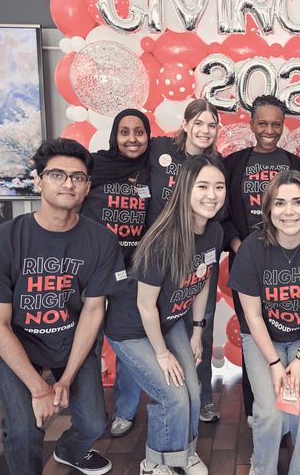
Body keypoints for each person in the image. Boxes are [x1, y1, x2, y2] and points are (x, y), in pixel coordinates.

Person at [0, 139, 127, 475]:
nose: (68, 183)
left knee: (94, 424)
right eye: (57, 174)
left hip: (72, 343)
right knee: (23, 431)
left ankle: (69, 450)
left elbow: (94, 311)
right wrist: (38, 387)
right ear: (38, 181)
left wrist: (64, 379)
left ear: (87, 187)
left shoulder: (102, 240)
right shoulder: (1, 242)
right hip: (18, 343)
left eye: (77, 178)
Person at [106, 155, 226, 475]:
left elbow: (202, 281)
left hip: (171, 321)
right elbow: (145, 306)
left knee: (194, 392)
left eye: (219, 186)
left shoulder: (214, 232)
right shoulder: (163, 239)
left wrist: (198, 331)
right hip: (132, 328)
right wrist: (161, 354)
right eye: (202, 186)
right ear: (185, 189)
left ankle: (183, 454)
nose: (211, 194)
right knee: (171, 395)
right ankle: (154, 464)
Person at [228, 170, 300, 475]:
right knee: (269, 413)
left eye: (298, 202)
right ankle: (262, 467)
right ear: (268, 210)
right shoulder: (251, 249)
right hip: (264, 337)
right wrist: (275, 364)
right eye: (279, 203)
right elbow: (252, 316)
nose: (289, 211)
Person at [223, 95, 300, 425]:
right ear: (251, 124)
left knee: (288, 331)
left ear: (283, 125)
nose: (269, 129)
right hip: (248, 262)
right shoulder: (233, 164)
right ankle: (255, 407)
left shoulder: (295, 164)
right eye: (263, 123)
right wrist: (237, 243)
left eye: (276, 123)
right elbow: (223, 213)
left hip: (289, 264)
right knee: (253, 332)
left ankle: (289, 406)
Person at [147, 98, 223, 423]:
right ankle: (144, 403)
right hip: (160, 257)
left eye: (212, 125)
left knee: (199, 328)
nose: (205, 130)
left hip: (199, 260)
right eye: (200, 123)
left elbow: (222, 211)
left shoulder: (217, 162)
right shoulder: (159, 150)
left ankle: (202, 397)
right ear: (186, 123)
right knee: (146, 319)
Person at [80, 108, 151, 438]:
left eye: (139, 132)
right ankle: (89, 411)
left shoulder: (152, 169)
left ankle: (125, 409)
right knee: (86, 344)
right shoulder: (94, 165)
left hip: (132, 271)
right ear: (114, 135)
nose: (132, 139)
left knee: (127, 342)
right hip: (92, 268)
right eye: (125, 132)